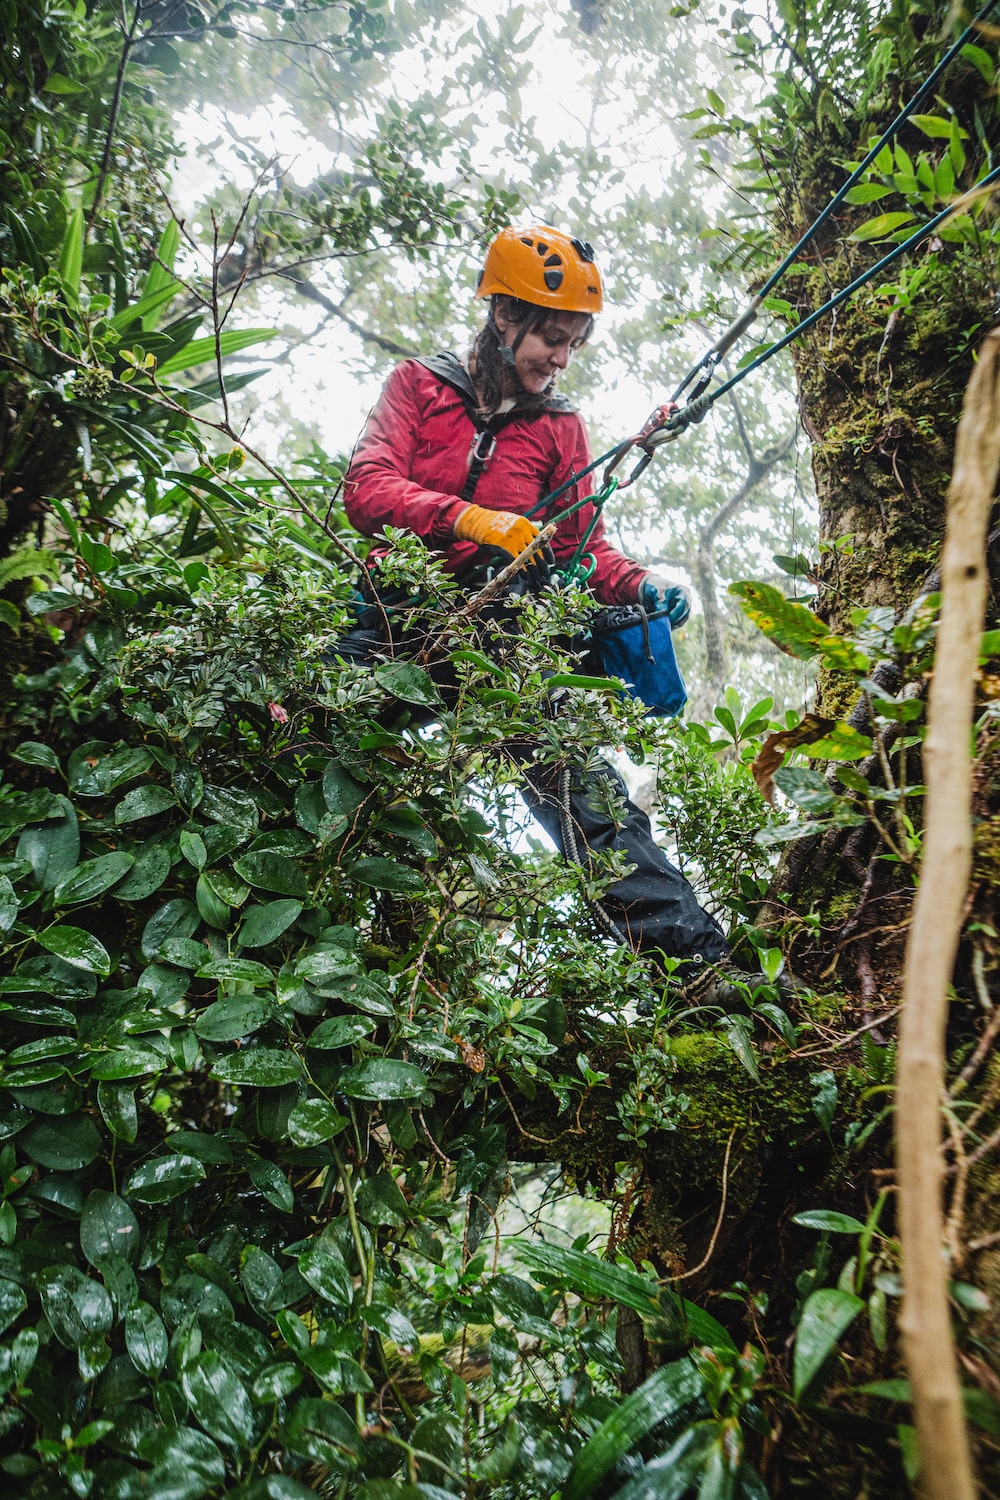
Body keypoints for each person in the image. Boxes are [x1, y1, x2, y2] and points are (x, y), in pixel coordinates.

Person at [339, 224, 740, 1000]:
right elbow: (366, 488)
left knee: (588, 799)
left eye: (573, 345)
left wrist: (639, 586)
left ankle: (697, 968)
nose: (559, 359)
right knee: (309, 725)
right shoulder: (418, 387)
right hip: (401, 618)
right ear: (503, 318)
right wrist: (467, 518)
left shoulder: (560, 426)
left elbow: (581, 549)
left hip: (505, 639)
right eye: (551, 339)